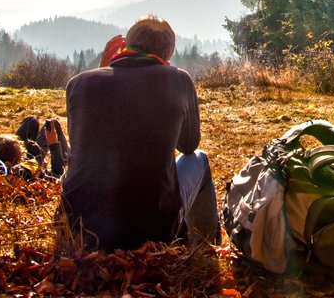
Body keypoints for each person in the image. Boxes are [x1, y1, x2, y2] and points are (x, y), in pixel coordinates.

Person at [60, 15, 219, 251]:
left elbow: (80, 145)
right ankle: (204, 249)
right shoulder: (178, 80)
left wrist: (103, 68)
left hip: (82, 227)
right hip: (153, 229)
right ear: (168, 52)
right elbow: (188, 146)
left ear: (125, 45)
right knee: (199, 159)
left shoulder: (79, 83)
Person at [0, 116, 68, 204]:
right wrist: (53, 143)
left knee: (31, 120)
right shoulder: (25, 172)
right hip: (28, 160)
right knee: (52, 123)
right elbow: (57, 174)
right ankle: (69, 156)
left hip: (3, 160)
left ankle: (5, 152)